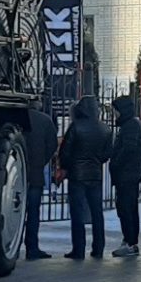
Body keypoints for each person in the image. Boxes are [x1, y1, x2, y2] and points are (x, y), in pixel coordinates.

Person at [58, 96, 111, 259]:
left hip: (77, 175)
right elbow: (107, 154)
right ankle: (98, 247)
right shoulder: (105, 129)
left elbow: (65, 152)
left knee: (77, 213)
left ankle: (78, 249)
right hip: (95, 174)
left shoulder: (76, 127)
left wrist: (68, 166)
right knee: (97, 212)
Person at [109, 96, 141, 257]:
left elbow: (128, 149)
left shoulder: (130, 126)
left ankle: (130, 242)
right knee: (126, 208)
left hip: (127, 174)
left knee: (127, 208)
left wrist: (116, 162)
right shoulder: (130, 125)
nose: (114, 114)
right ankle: (129, 240)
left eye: (115, 110)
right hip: (128, 173)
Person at [23, 106, 59, 260]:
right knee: (33, 213)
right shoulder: (44, 120)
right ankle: (32, 247)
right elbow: (52, 145)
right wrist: (41, 161)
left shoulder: (14, 119)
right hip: (35, 173)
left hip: (12, 171)